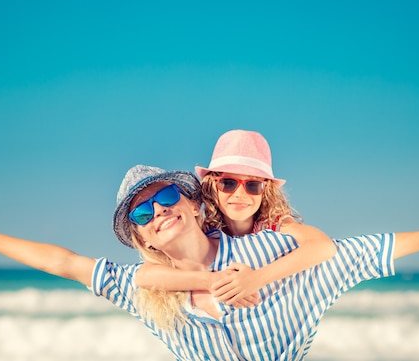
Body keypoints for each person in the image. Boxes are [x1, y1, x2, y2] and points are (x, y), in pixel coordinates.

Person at [0, 164, 419, 361]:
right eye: (143, 211)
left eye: (165, 198)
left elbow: (360, 251)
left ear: (191, 201)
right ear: (139, 234)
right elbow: (67, 263)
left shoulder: (266, 251)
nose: (158, 211)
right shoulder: (146, 291)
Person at [134, 129, 337, 306]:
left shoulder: (274, 223)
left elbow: (323, 246)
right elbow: (143, 275)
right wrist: (210, 281)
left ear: (265, 191)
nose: (240, 194)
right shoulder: (207, 229)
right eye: (229, 183)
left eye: (253, 185)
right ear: (213, 185)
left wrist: (256, 279)